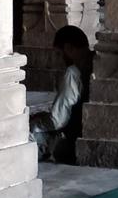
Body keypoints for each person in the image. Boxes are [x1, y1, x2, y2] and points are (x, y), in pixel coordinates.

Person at [29, 25, 93, 162]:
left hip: (72, 138)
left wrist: (33, 123)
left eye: (59, 53)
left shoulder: (72, 73)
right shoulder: (93, 63)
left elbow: (57, 121)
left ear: (69, 48)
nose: (59, 59)